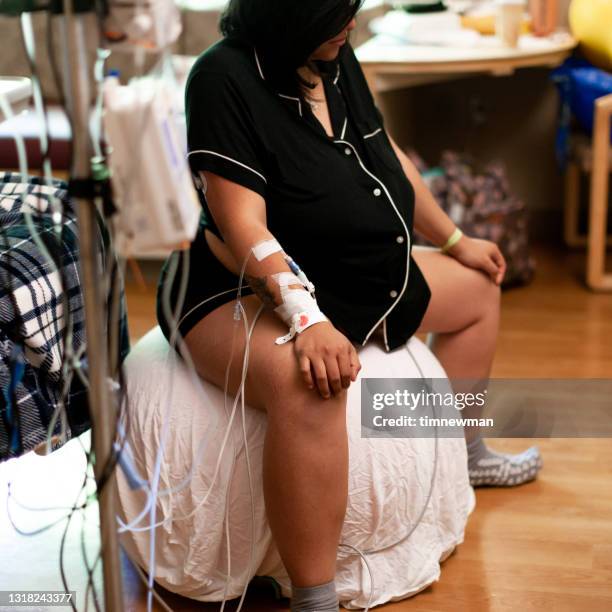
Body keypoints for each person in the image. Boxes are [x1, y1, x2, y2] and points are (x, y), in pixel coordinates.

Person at [156, 1, 542, 609]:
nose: (351, 24)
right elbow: (241, 223)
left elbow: (386, 153)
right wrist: (306, 319)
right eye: (337, 13)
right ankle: (315, 598)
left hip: (352, 271)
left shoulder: (329, 56)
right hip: (239, 283)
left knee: (479, 290)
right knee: (309, 383)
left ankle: (468, 454)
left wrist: (455, 239)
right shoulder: (221, 77)